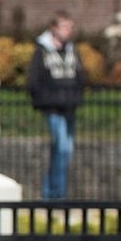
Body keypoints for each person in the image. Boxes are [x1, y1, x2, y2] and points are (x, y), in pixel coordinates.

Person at [26, 12, 86, 200]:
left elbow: (80, 76)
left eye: (70, 27)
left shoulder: (71, 50)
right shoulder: (42, 51)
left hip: (69, 108)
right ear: (53, 28)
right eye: (64, 26)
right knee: (62, 149)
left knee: (64, 151)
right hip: (52, 108)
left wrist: (75, 96)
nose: (68, 31)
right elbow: (33, 81)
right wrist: (46, 100)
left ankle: (53, 192)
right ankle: (55, 194)